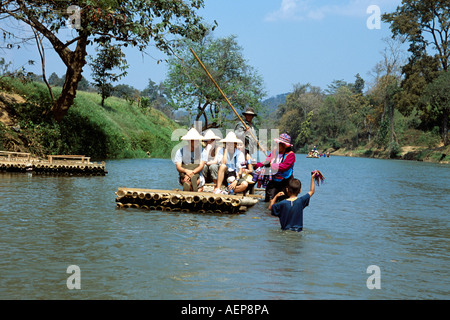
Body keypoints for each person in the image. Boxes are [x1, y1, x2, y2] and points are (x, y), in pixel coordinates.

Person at [256, 133, 295, 202]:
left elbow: (284, 167)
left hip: (285, 181)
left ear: (284, 146)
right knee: (269, 199)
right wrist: (256, 165)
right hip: (273, 180)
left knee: (284, 201)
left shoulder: (290, 155)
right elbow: (266, 162)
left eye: (279, 144)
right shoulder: (274, 152)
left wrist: (271, 165)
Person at [173, 128, 207, 192]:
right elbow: (178, 167)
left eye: (197, 140)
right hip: (185, 173)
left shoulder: (202, 151)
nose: (197, 142)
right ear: (189, 141)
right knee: (185, 179)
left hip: (196, 172)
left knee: (196, 181)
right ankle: (190, 186)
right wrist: (187, 172)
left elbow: (201, 166)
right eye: (195, 140)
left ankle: (189, 186)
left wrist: (192, 173)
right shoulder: (180, 151)